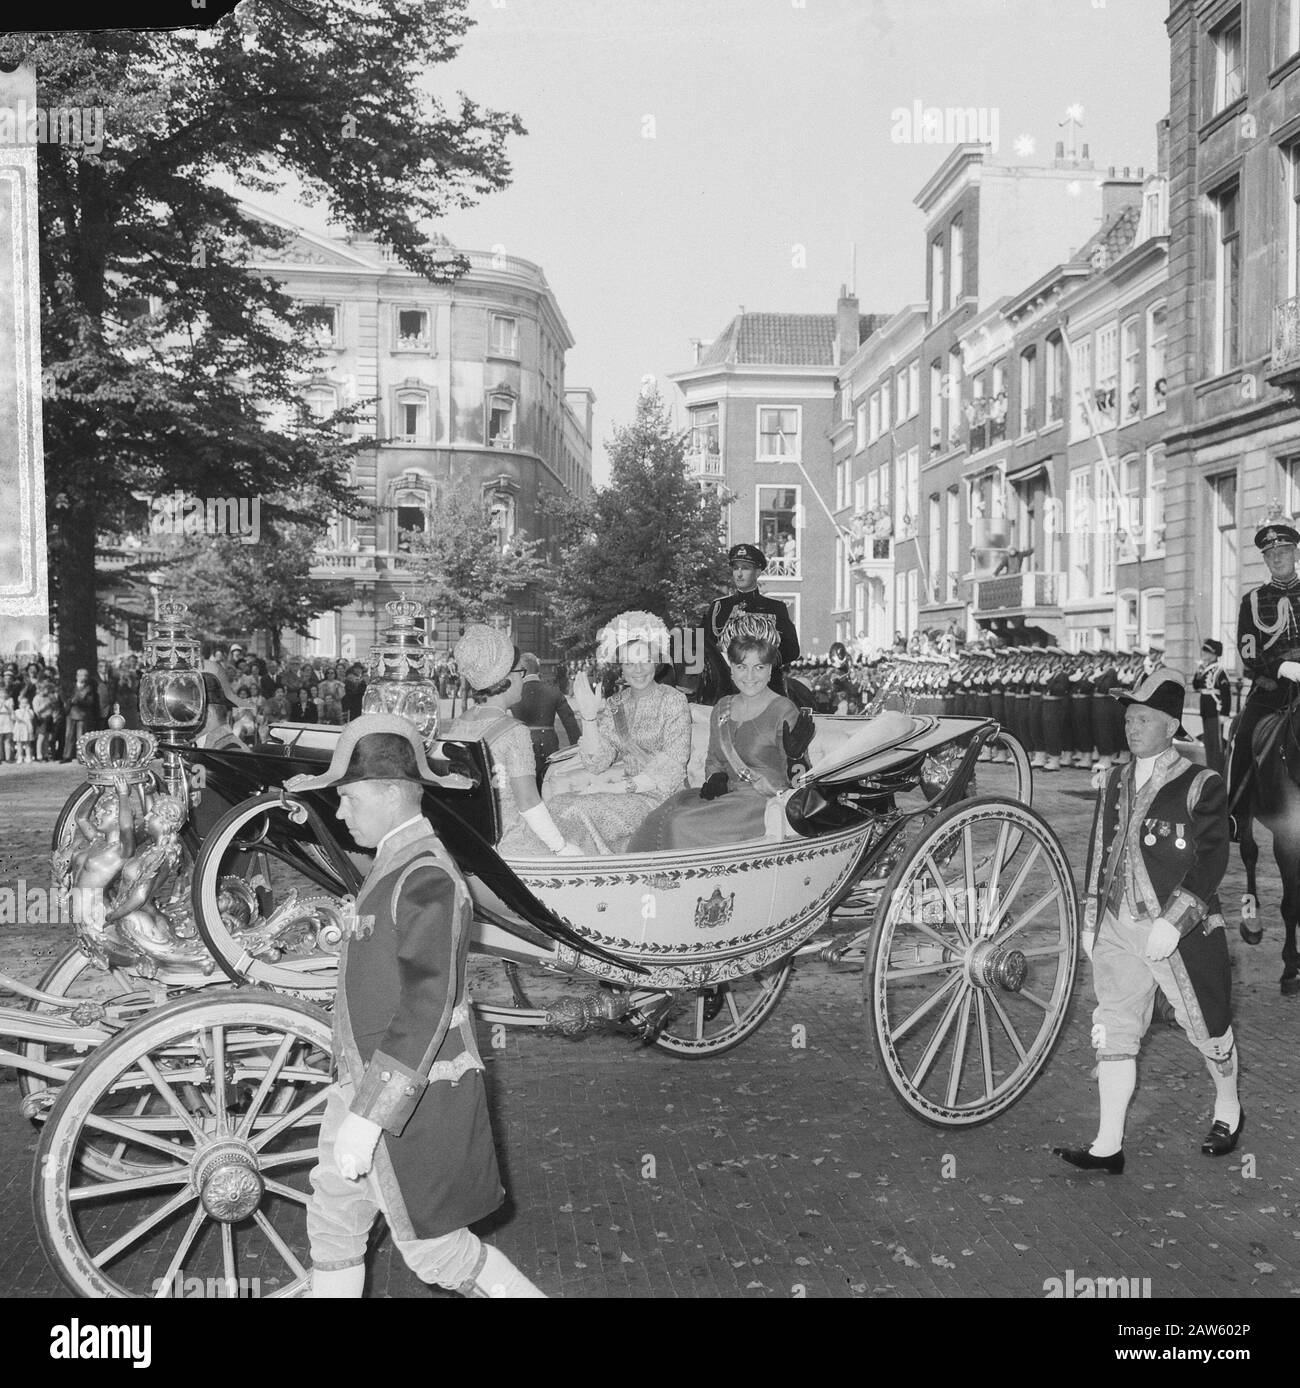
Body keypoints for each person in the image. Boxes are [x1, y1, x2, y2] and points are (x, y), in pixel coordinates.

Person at [285, 714, 544, 1298]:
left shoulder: (428, 876)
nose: (342, 812)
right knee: (334, 1225)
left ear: (387, 795)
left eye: (348, 798)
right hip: (359, 1085)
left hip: (405, 1101)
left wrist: (367, 1114)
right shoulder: (396, 865)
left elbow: (426, 1006)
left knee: (438, 1255)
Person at [1055, 671, 1240, 1174]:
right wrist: (1093, 918)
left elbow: (1211, 859)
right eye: (1128, 719)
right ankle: (1107, 1145)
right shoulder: (1115, 778)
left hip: (1175, 931)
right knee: (1114, 1028)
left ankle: (1228, 1107)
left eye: (1142, 719)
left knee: (1206, 1026)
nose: (1131, 727)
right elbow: (1099, 849)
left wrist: (1176, 919)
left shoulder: (1201, 782)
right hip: (1117, 924)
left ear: (1170, 725)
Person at [627, 614, 812, 852]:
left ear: (769, 670)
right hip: (728, 796)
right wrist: (717, 776)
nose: (750, 676)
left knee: (679, 824)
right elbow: (714, 758)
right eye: (741, 667)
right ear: (731, 669)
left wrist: (796, 758)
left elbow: (801, 786)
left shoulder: (784, 709)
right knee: (659, 817)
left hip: (764, 802)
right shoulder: (722, 707)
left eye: (759, 667)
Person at [546, 611, 693, 854]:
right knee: (558, 805)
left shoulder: (673, 700)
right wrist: (590, 717)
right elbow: (597, 763)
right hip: (628, 796)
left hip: (663, 798)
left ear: (656, 662)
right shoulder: (616, 704)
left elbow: (673, 766)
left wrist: (616, 788)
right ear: (621, 667)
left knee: (578, 811)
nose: (638, 670)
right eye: (629, 663)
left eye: (644, 661)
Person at [444, 626, 583, 858]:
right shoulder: (514, 732)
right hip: (514, 843)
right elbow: (528, 801)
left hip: (477, 838)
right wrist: (561, 847)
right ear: (507, 678)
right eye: (521, 672)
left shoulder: (460, 723)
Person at [1229, 522, 1300, 842]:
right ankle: (1235, 815)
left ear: (1295, 553)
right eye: (1271, 554)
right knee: (1244, 738)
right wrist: (1282, 667)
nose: (1278, 558)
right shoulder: (1254, 599)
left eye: (1283, 551)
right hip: (1272, 688)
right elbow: (1248, 650)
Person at [700, 544, 800, 700]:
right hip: (725, 682)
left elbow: (792, 649)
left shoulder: (775, 607)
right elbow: (703, 644)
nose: (739, 574)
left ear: (758, 572)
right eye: (736, 568)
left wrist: (765, 660)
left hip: (765, 683)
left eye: (745, 568)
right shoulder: (719, 607)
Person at [510, 652, 581, 787]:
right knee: (548, 784)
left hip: (521, 743)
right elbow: (570, 722)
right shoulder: (553, 691)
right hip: (548, 744)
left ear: (522, 670)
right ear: (538, 669)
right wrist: (577, 750)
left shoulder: (513, 693)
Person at [1192, 638, 1232, 774]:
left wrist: (1225, 714)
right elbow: (1196, 686)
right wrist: (1198, 672)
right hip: (1206, 712)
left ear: (1214, 654)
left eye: (1206, 651)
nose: (1203, 654)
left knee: (1216, 746)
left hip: (1216, 713)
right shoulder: (1204, 669)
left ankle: (1218, 773)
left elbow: (1226, 693)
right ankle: (1211, 770)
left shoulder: (1220, 671)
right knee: (1208, 745)